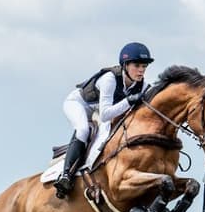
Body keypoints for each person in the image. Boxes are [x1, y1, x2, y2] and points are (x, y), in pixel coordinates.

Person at [53, 42, 155, 198]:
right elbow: (105, 115)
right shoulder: (110, 79)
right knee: (83, 130)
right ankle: (66, 175)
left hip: (99, 110)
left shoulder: (142, 86)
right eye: (137, 65)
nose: (141, 70)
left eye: (144, 66)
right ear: (125, 65)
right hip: (79, 104)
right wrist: (129, 101)